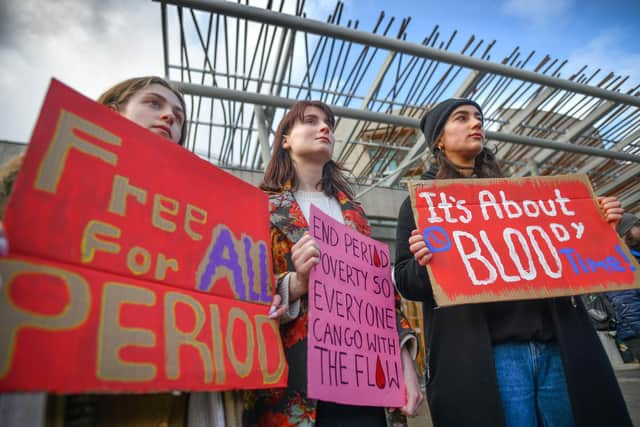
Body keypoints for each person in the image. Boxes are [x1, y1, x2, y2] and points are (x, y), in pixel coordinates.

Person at [393, 98, 633, 427]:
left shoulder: (524, 195)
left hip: (556, 348)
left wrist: (597, 225)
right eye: (461, 118)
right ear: (439, 139)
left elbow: (571, 256)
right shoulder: (420, 203)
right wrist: (425, 261)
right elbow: (406, 281)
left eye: (478, 117)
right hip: (492, 357)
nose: (476, 123)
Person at [245, 100, 423, 427]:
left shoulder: (354, 213)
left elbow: (381, 296)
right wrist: (295, 284)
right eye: (311, 121)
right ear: (285, 139)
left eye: (328, 122)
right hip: (296, 385)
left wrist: (405, 362)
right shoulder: (260, 209)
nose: (325, 127)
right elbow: (242, 290)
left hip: (366, 378)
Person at [607, 213, 640, 362]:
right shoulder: (621, 263)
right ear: (625, 234)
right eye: (636, 226)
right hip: (636, 333)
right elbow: (625, 304)